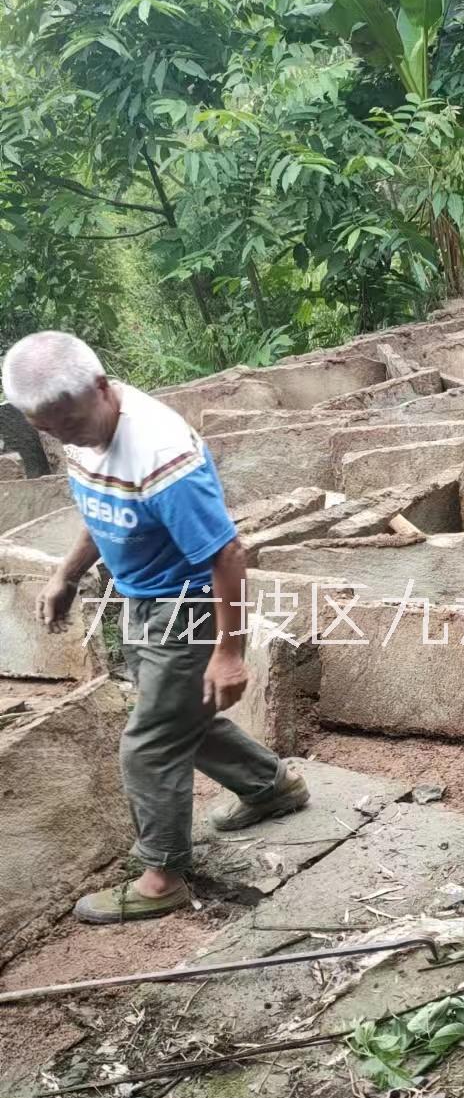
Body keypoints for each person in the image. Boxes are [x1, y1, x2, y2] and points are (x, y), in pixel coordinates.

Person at [1, 330, 309, 925]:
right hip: (142, 599)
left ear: (100, 388)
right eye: (47, 429)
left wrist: (229, 651)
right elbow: (98, 508)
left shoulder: (162, 454)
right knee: (176, 715)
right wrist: (66, 574)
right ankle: (270, 786)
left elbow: (228, 555)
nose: (61, 437)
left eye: (66, 422)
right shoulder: (79, 430)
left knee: (148, 744)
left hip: (186, 607)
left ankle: (162, 874)